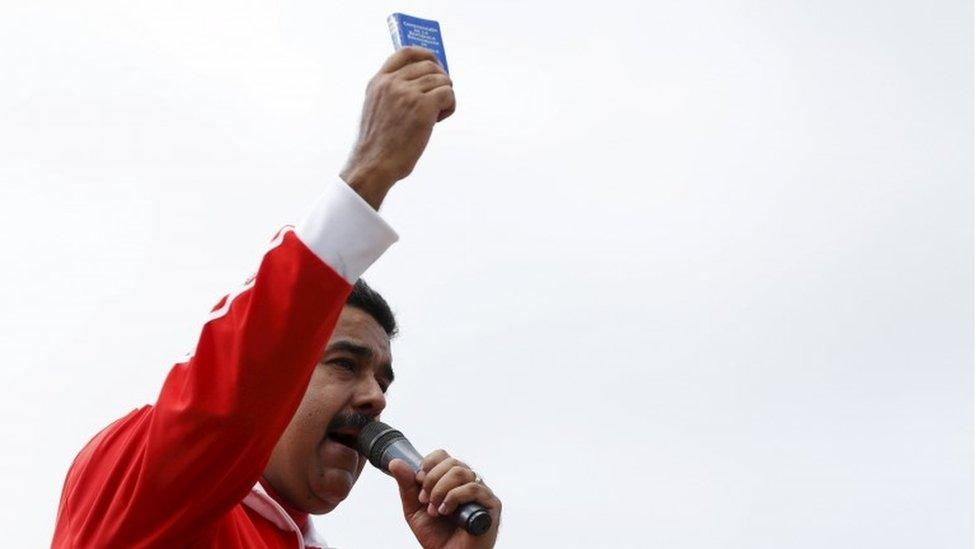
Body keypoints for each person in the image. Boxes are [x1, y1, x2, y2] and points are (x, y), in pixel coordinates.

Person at [51, 47, 502, 549]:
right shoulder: (143, 480)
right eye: (345, 364)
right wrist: (370, 173)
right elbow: (230, 388)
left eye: (381, 377)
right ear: (277, 377)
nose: (376, 397)